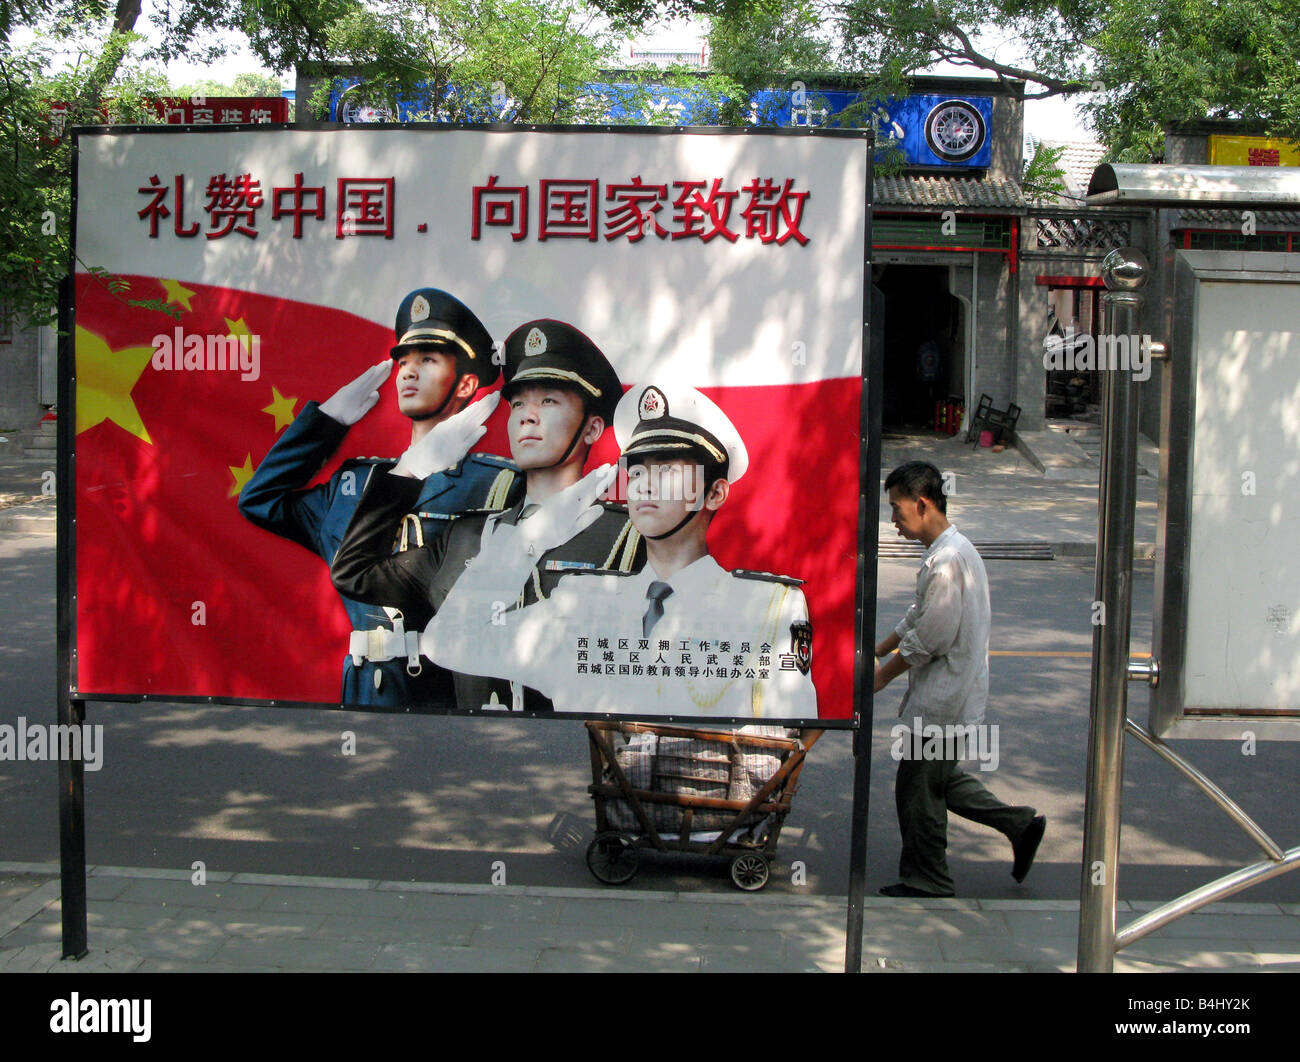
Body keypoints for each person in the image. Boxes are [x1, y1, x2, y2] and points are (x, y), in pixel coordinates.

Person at [421, 382, 818, 719]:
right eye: (639, 470)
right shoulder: (582, 603)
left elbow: (790, 732)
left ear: (715, 492)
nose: (644, 484)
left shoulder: (767, 608)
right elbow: (448, 642)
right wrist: (532, 538)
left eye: (667, 470)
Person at [331, 319, 644, 712]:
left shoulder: (628, 537)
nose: (528, 417)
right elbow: (353, 573)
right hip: (474, 761)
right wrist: (408, 471)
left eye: (549, 401)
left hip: (576, 758)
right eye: (518, 404)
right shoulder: (466, 536)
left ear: (593, 428)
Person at [238, 287, 518, 708]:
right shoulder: (355, 484)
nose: (408, 372)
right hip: (368, 692)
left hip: (451, 692)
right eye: (404, 361)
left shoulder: (495, 484)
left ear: (466, 383)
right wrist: (325, 423)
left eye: (427, 359)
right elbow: (261, 500)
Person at [874, 460, 1045, 897]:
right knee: (936, 780)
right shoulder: (946, 554)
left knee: (917, 788)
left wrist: (880, 676)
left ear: (923, 504)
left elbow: (929, 637)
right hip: (951, 693)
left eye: (896, 509)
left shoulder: (949, 560)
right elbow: (917, 616)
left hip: (943, 696)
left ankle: (928, 877)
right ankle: (1019, 824)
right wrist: (875, 649)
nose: (893, 520)